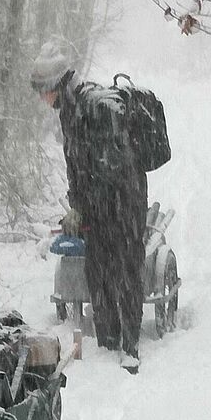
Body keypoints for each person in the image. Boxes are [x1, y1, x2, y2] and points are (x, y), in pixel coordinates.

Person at [31, 42, 146, 374]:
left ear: (55, 85)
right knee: (99, 270)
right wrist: (77, 208)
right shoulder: (71, 110)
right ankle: (108, 340)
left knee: (125, 271)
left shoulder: (92, 106)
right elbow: (77, 167)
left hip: (123, 202)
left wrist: (89, 206)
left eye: (42, 91)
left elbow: (110, 166)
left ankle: (130, 347)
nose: (42, 98)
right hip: (100, 205)